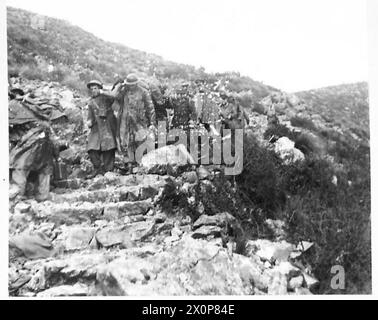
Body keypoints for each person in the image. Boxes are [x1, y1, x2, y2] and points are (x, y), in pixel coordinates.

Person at [103, 74, 156, 171]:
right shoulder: (124, 91)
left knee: (140, 140)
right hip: (125, 120)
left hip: (139, 120)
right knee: (126, 141)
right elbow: (114, 96)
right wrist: (119, 86)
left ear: (136, 84)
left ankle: (140, 162)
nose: (131, 87)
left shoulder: (144, 92)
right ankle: (128, 163)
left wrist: (152, 122)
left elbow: (150, 108)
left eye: (132, 85)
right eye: (129, 85)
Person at [86, 80, 117, 178]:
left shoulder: (106, 97)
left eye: (95, 88)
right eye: (92, 89)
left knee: (109, 147)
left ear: (99, 88)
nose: (93, 91)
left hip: (107, 126)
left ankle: (108, 170)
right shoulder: (91, 102)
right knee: (92, 148)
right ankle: (97, 168)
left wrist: (103, 92)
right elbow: (90, 116)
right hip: (96, 128)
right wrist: (89, 121)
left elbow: (114, 97)